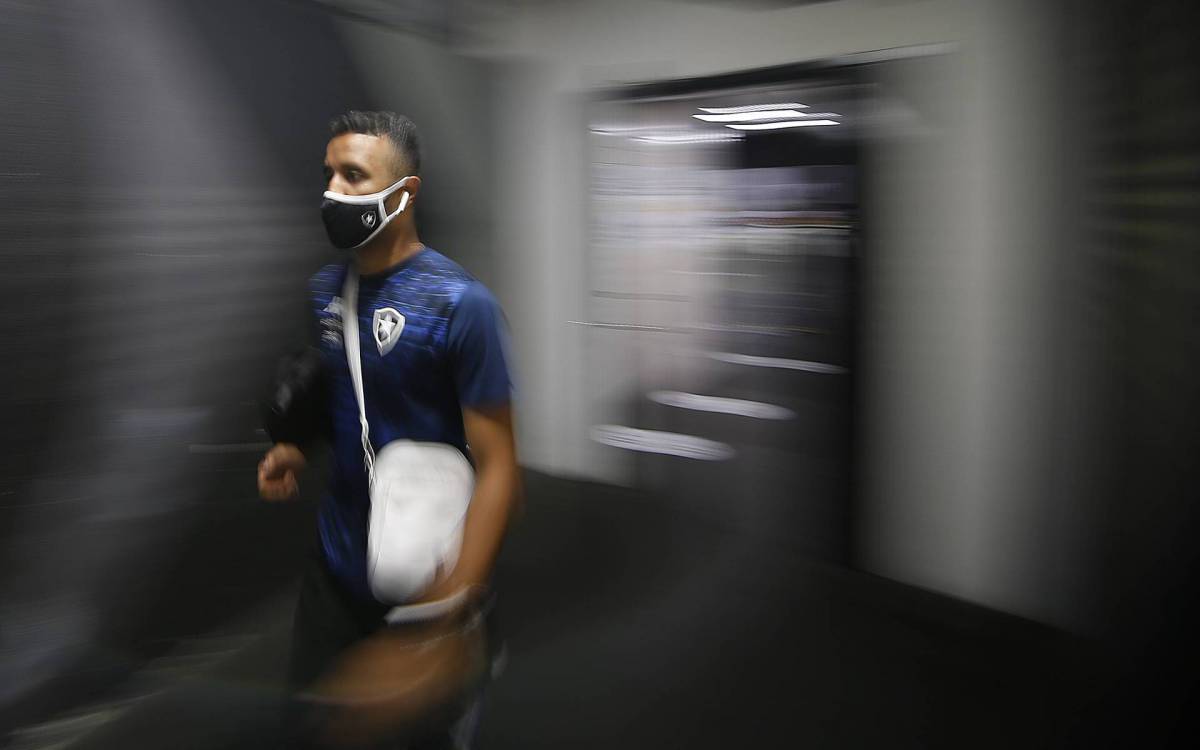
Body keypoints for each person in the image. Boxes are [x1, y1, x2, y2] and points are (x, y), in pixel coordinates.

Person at [257, 110, 520, 748]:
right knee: (310, 731)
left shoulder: (463, 306)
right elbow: (346, 396)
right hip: (336, 568)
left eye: (353, 176)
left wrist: (445, 614)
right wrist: (295, 446)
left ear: (405, 193)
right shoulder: (324, 292)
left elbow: (500, 469)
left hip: (425, 572)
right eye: (329, 175)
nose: (333, 192)